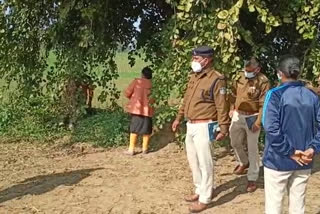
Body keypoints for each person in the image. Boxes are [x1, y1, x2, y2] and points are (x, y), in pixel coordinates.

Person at [172, 46, 230, 213]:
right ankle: (199, 189)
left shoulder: (217, 79)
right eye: (194, 58)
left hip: (205, 125)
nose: (194, 61)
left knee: (206, 162)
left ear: (207, 59)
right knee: (193, 161)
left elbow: (222, 106)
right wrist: (178, 118)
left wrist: (223, 128)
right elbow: (186, 100)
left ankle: (205, 197)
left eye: (197, 59)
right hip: (190, 124)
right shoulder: (194, 77)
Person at [262, 55, 320, 214]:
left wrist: (290, 152)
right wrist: (312, 149)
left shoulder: (274, 95)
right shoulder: (312, 96)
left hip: (278, 159)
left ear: (280, 73)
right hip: (305, 158)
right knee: (298, 204)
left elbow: (270, 128)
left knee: (274, 204)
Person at [229, 57, 270, 192]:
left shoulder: (263, 82)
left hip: (252, 116)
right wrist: (231, 108)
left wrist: (258, 122)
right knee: (234, 142)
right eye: (246, 70)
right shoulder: (240, 76)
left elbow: (263, 104)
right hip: (238, 114)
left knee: (253, 148)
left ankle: (252, 178)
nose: (247, 73)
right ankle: (243, 162)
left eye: (250, 71)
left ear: (257, 70)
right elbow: (232, 94)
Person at [124, 67, 154, 155]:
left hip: (137, 109)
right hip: (148, 110)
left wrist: (133, 98)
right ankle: (145, 149)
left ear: (142, 74)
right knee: (146, 130)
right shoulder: (153, 85)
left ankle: (131, 149)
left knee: (134, 129)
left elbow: (127, 93)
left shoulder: (137, 81)